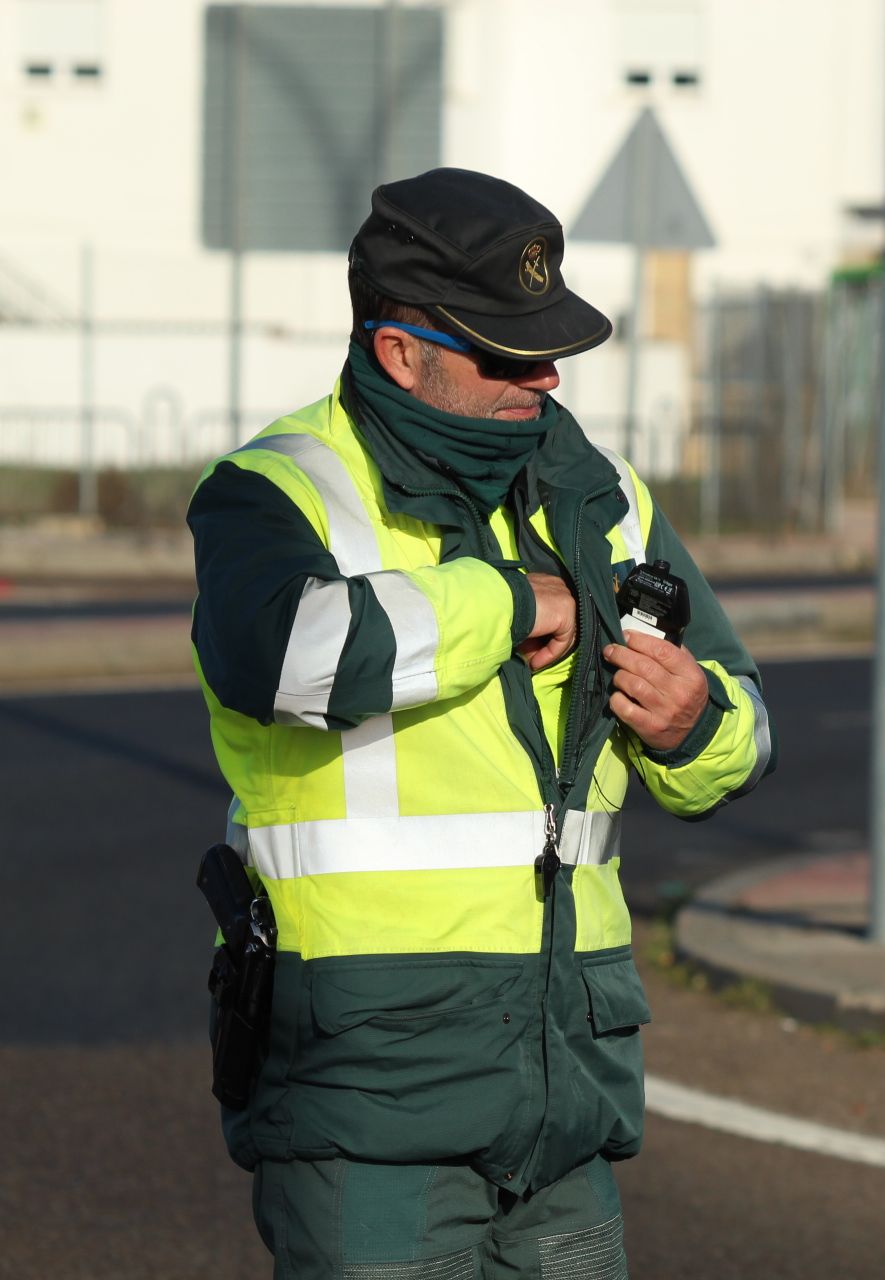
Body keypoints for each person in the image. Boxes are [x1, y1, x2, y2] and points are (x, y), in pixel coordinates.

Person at [186, 167, 775, 1278]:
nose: (545, 373)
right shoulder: (275, 487)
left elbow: (741, 726)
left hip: (564, 1094)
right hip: (369, 1101)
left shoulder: (599, 493)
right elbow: (288, 656)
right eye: (506, 353)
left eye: (548, 343)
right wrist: (507, 599)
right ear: (400, 349)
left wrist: (695, 722)